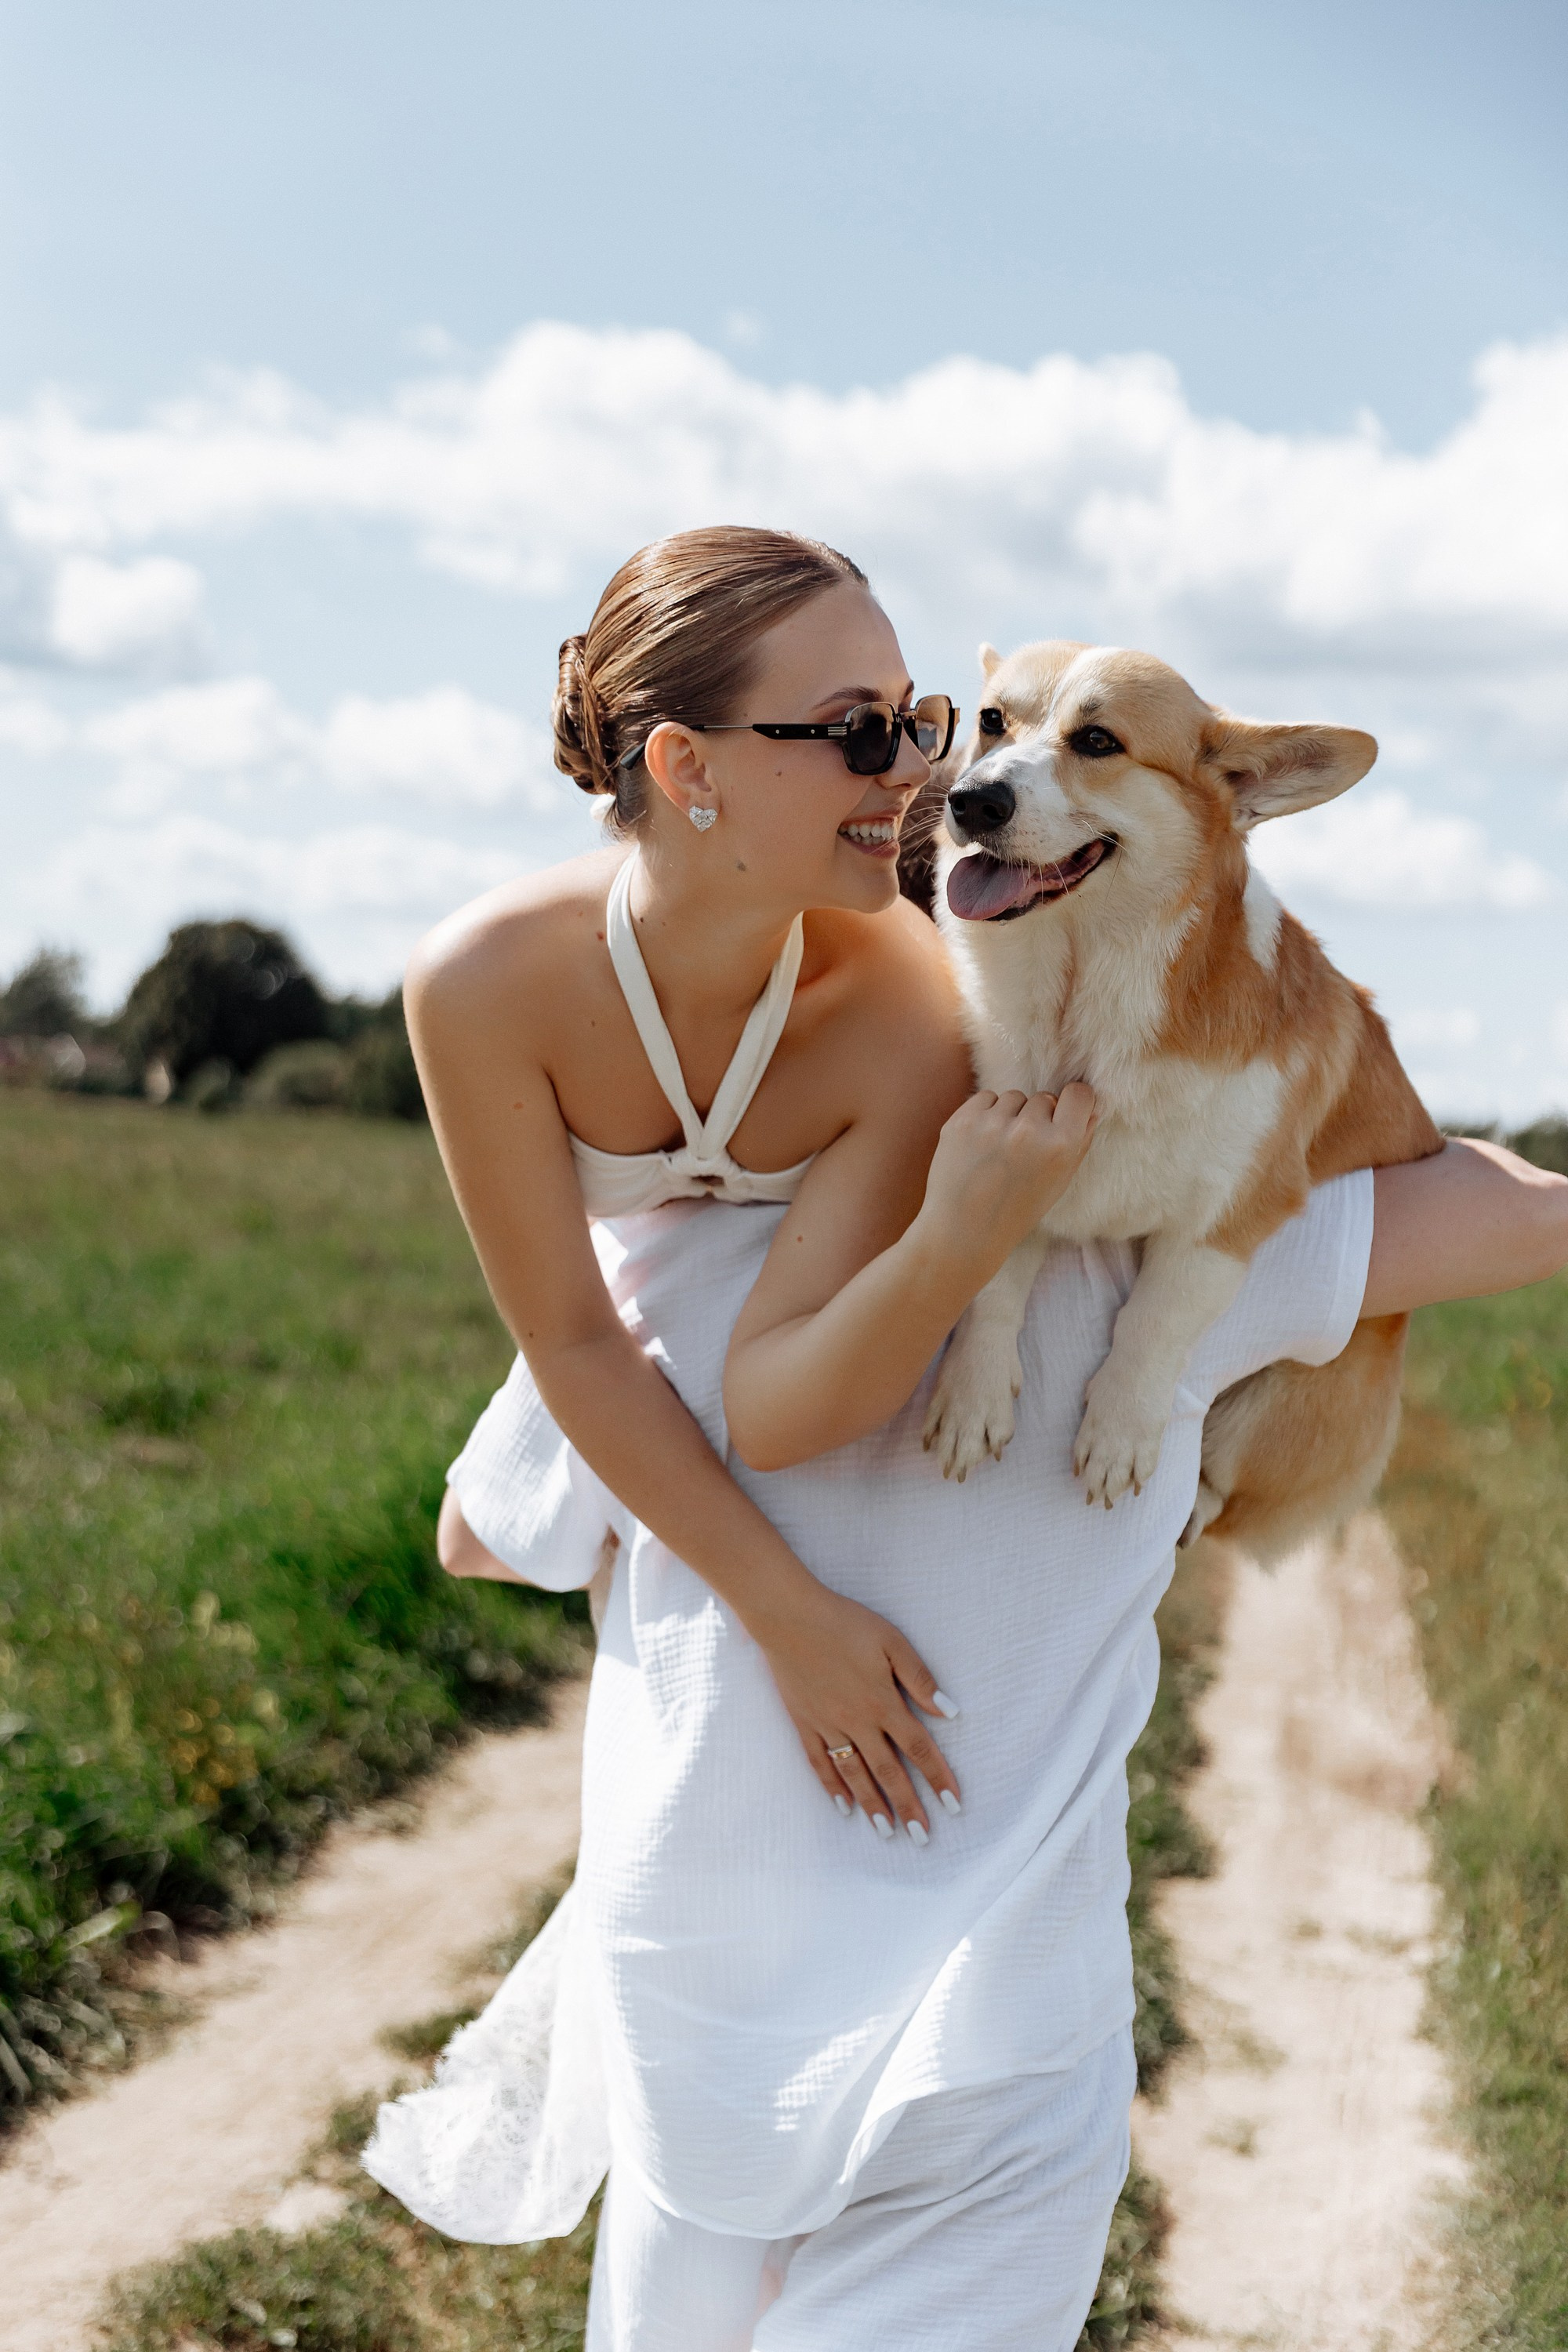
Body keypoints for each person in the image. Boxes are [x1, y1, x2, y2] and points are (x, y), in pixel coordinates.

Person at [364, 526, 1568, 2350]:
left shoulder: (905, 1080)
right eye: (871, 736)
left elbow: (498, 1515)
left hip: (752, 1983)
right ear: (683, 770)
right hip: (877, 1991)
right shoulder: (1104, 1209)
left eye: (922, 720)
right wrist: (794, 1584)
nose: (930, 778)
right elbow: (1494, 1217)